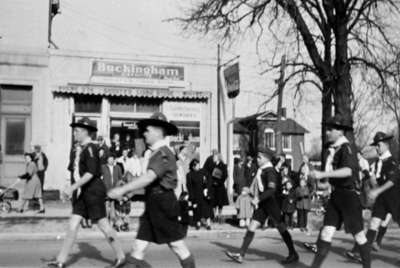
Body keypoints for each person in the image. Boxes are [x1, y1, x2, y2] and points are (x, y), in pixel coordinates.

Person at [108, 112, 196, 268]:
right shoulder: (155, 152)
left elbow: (149, 177)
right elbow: (148, 181)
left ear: (157, 131)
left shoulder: (163, 153)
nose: (144, 133)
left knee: (178, 247)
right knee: (137, 250)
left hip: (163, 205)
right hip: (153, 204)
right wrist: (129, 192)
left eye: (147, 130)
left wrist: (122, 190)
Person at [47, 117, 125, 268]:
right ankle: (60, 261)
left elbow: (90, 173)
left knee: (103, 225)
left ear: (84, 132)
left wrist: (72, 188)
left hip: (94, 192)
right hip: (84, 192)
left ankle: (120, 256)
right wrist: (73, 188)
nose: (74, 133)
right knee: (73, 224)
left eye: (76, 131)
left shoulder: (91, 148)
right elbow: (76, 171)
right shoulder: (80, 148)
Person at [309, 115, 371, 268]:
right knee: (326, 232)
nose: (328, 132)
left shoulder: (346, 148)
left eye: (331, 129)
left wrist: (323, 174)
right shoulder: (334, 150)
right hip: (336, 196)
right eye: (327, 129)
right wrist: (325, 185)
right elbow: (336, 176)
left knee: (359, 236)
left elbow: (348, 171)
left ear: (340, 132)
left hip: (349, 197)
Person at [225, 147, 299, 264]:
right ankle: (241, 254)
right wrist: (249, 191)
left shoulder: (269, 171)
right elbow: (260, 187)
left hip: (272, 203)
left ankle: (293, 253)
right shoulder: (262, 170)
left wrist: (258, 199)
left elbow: (271, 190)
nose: (257, 159)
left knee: (281, 228)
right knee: (251, 227)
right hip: (264, 204)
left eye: (259, 157)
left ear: (266, 158)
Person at [346, 132, 400, 263]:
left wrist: (377, 191)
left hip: (395, 198)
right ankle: (362, 254)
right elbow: (372, 179)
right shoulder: (376, 163)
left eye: (379, 145)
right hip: (382, 200)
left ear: (386, 145)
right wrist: (365, 180)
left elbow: (392, 181)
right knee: (373, 224)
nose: (376, 148)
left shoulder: (392, 162)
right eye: (375, 145)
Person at [186, 159, 213, 230]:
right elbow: (189, 187)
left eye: (198, 165)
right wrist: (192, 198)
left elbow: (209, 179)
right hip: (196, 195)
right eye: (197, 165)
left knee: (207, 210)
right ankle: (198, 223)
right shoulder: (189, 175)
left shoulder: (203, 171)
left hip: (204, 194)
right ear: (193, 167)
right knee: (197, 210)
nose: (198, 166)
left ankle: (208, 224)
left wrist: (207, 187)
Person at [101, 154, 123, 222]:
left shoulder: (117, 167)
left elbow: (120, 178)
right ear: (107, 160)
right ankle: (105, 220)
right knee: (106, 205)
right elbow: (100, 177)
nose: (111, 160)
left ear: (114, 160)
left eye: (112, 159)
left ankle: (112, 221)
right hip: (106, 188)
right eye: (109, 159)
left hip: (114, 189)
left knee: (113, 205)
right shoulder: (103, 167)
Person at [210, 153, 229, 223]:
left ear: (218, 157)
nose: (213, 158)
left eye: (214, 157)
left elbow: (225, 175)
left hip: (220, 186)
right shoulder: (212, 165)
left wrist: (219, 182)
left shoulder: (223, 165)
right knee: (214, 202)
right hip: (213, 186)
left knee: (220, 202)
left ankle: (220, 216)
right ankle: (214, 216)